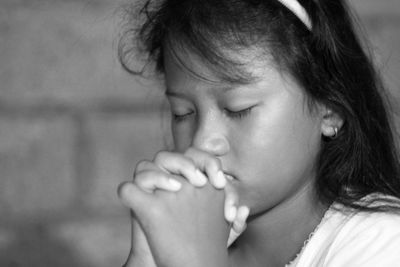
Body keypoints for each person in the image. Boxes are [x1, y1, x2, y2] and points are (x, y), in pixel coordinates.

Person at [117, 0, 400, 266]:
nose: (202, 141)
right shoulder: (196, 247)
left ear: (329, 108)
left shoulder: (383, 241)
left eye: (238, 109)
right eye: (183, 113)